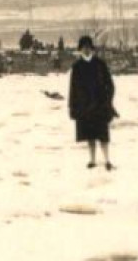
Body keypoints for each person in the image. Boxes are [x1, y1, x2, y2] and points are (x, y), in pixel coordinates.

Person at [45, 36, 117, 170]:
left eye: (89, 47)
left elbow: (110, 85)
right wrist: (73, 108)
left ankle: (107, 160)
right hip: (85, 108)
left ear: (92, 49)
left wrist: (107, 101)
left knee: (103, 136)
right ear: (80, 50)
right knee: (90, 136)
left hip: (100, 106)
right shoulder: (77, 67)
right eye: (84, 48)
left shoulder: (100, 64)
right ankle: (92, 160)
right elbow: (73, 89)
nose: (87, 50)